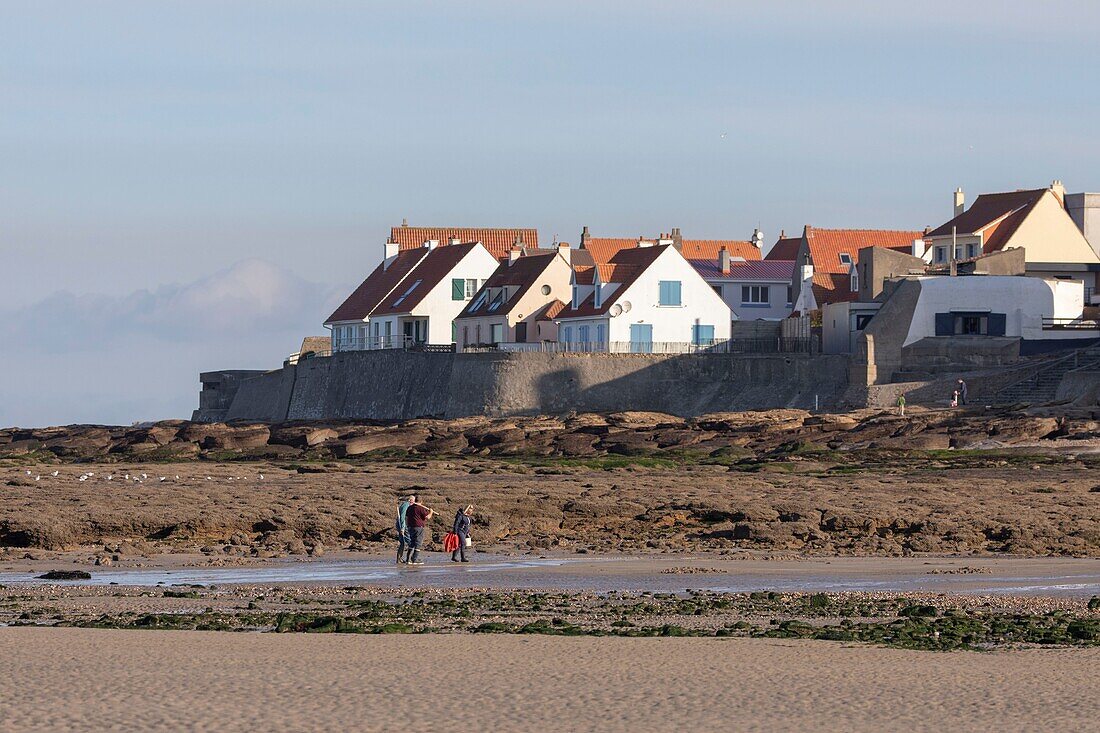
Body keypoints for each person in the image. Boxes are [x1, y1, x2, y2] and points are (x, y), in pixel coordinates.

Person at [404, 497, 434, 565]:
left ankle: (408, 559)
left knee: (412, 542)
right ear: (421, 501)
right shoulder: (421, 508)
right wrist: (431, 512)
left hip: (410, 527)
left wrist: (407, 525)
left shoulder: (410, 507)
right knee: (418, 543)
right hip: (418, 527)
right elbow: (428, 517)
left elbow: (407, 517)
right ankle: (414, 559)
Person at [395, 494, 414, 565]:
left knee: (402, 542)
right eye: (413, 501)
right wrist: (402, 528)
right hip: (402, 525)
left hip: (402, 525)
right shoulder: (406, 505)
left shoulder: (407, 505)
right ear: (410, 500)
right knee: (410, 541)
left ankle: (399, 559)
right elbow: (402, 517)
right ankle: (411, 558)